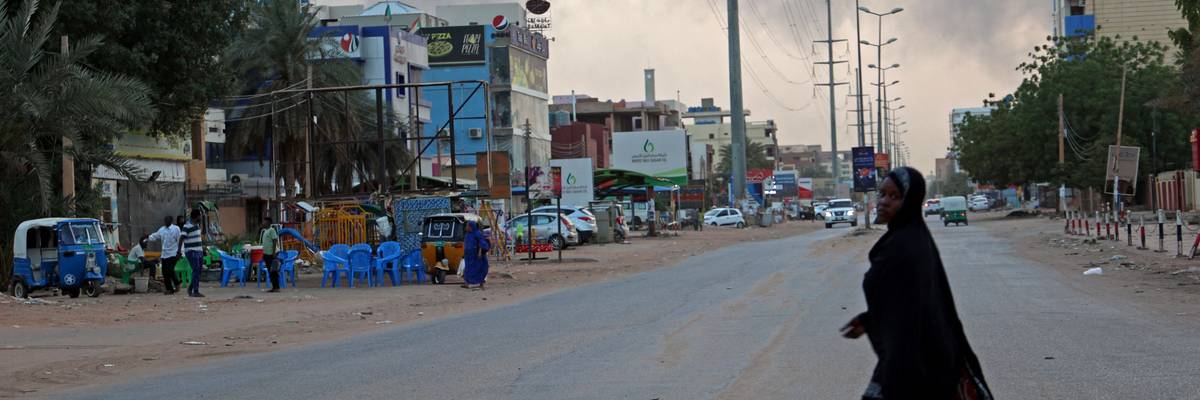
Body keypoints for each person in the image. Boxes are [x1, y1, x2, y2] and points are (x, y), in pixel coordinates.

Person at [841, 167, 992, 399]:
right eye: (882, 194)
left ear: (910, 202)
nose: (883, 202)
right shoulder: (905, 239)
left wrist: (893, 380)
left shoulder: (905, 248)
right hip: (916, 362)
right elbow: (904, 302)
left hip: (915, 368)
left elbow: (910, 318)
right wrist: (868, 320)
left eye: (894, 196)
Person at [147, 216, 182, 295]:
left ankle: (176, 283)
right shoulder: (162, 230)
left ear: (171, 221)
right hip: (164, 254)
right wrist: (147, 237)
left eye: (168, 220)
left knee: (170, 270)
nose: (166, 222)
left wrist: (180, 252)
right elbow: (155, 236)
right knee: (165, 272)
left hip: (173, 253)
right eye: (165, 220)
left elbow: (180, 240)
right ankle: (170, 289)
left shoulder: (176, 229)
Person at [181, 209, 205, 298]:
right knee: (195, 270)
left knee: (199, 271)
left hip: (199, 250)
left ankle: (191, 288)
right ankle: (196, 291)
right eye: (200, 215)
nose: (201, 217)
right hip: (191, 251)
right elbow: (181, 238)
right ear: (196, 216)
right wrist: (179, 251)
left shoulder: (197, 224)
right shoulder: (187, 226)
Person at [461, 220, 490, 289]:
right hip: (469, 256)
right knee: (468, 269)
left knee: (480, 269)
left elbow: (482, 243)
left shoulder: (477, 233)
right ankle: (467, 283)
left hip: (476, 255)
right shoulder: (468, 234)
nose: (466, 227)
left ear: (471, 227)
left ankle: (481, 283)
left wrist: (479, 252)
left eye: (468, 226)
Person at [260, 217, 281, 293]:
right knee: (270, 271)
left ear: (268, 223)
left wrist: (274, 252)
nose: (263, 223)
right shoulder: (265, 231)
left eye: (264, 222)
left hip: (271, 254)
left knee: (273, 271)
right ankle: (273, 287)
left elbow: (275, 240)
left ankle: (277, 287)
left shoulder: (271, 230)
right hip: (266, 254)